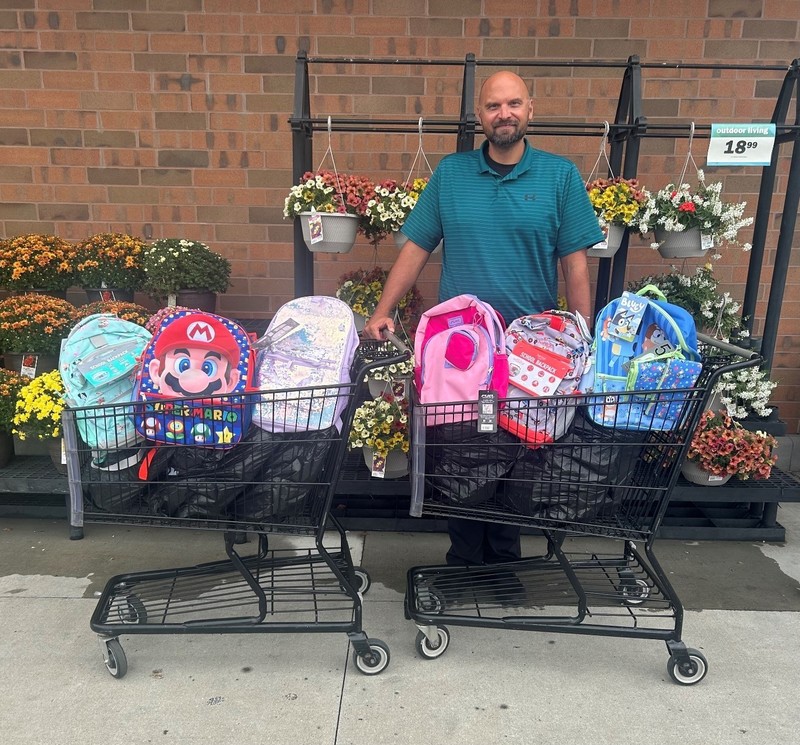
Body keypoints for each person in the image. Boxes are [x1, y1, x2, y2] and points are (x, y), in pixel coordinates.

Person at [364, 70, 603, 569]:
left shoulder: (560, 177)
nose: (505, 114)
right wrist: (383, 310)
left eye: (514, 103)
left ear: (530, 109)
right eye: (494, 106)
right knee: (463, 458)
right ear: (480, 116)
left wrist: (584, 335)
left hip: (533, 355)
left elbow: (576, 264)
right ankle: (463, 561)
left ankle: (503, 564)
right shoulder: (451, 175)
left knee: (522, 460)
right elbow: (416, 250)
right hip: (462, 352)